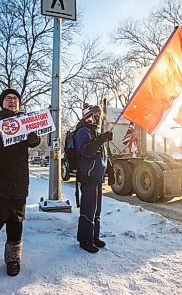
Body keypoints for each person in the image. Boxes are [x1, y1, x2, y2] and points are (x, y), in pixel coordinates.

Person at [0, 88, 40, 276]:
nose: (12, 101)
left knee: (16, 222)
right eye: (8, 98)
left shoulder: (26, 121)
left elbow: (34, 142)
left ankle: (13, 258)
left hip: (18, 182)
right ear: (2, 102)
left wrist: (33, 138)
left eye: (15, 99)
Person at [74, 103, 113, 253]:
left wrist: (110, 171)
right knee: (88, 210)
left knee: (97, 210)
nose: (98, 116)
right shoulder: (83, 131)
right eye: (95, 114)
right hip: (88, 176)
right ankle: (85, 240)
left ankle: (94, 237)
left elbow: (103, 155)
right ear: (87, 115)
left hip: (97, 176)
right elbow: (87, 151)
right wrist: (101, 139)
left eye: (99, 114)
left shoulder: (95, 131)